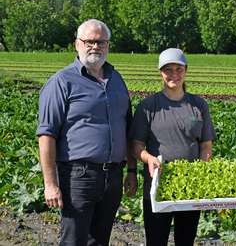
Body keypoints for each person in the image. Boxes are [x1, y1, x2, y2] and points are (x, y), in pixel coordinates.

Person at [36, 19, 137, 246]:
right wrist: (50, 183)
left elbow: (127, 129)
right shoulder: (61, 82)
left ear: (108, 45)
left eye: (101, 42)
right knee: (74, 240)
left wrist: (131, 170)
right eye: (89, 41)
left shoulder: (116, 80)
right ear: (77, 44)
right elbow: (46, 135)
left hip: (112, 176)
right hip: (78, 176)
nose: (95, 47)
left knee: (100, 240)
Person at [129, 48, 216, 246]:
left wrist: (201, 170)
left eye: (178, 69)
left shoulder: (198, 105)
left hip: (190, 188)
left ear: (186, 70)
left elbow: (206, 145)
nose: (173, 74)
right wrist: (148, 158)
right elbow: (136, 146)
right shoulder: (148, 106)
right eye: (168, 69)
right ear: (161, 72)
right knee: (156, 240)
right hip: (156, 186)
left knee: (186, 240)